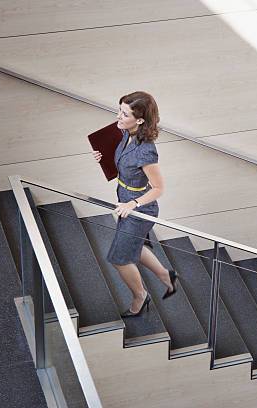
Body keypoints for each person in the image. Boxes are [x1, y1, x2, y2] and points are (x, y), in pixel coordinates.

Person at [92, 91, 177, 317]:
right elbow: (124, 162)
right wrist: (107, 159)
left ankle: (141, 296)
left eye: (124, 113)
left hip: (140, 209)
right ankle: (166, 276)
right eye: (119, 110)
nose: (118, 116)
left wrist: (133, 204)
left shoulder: (146, 151)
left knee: (119, 258)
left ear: (140, 120)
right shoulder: (124, 132)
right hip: (125, 202)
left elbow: (159, 188)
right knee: (134, 248)